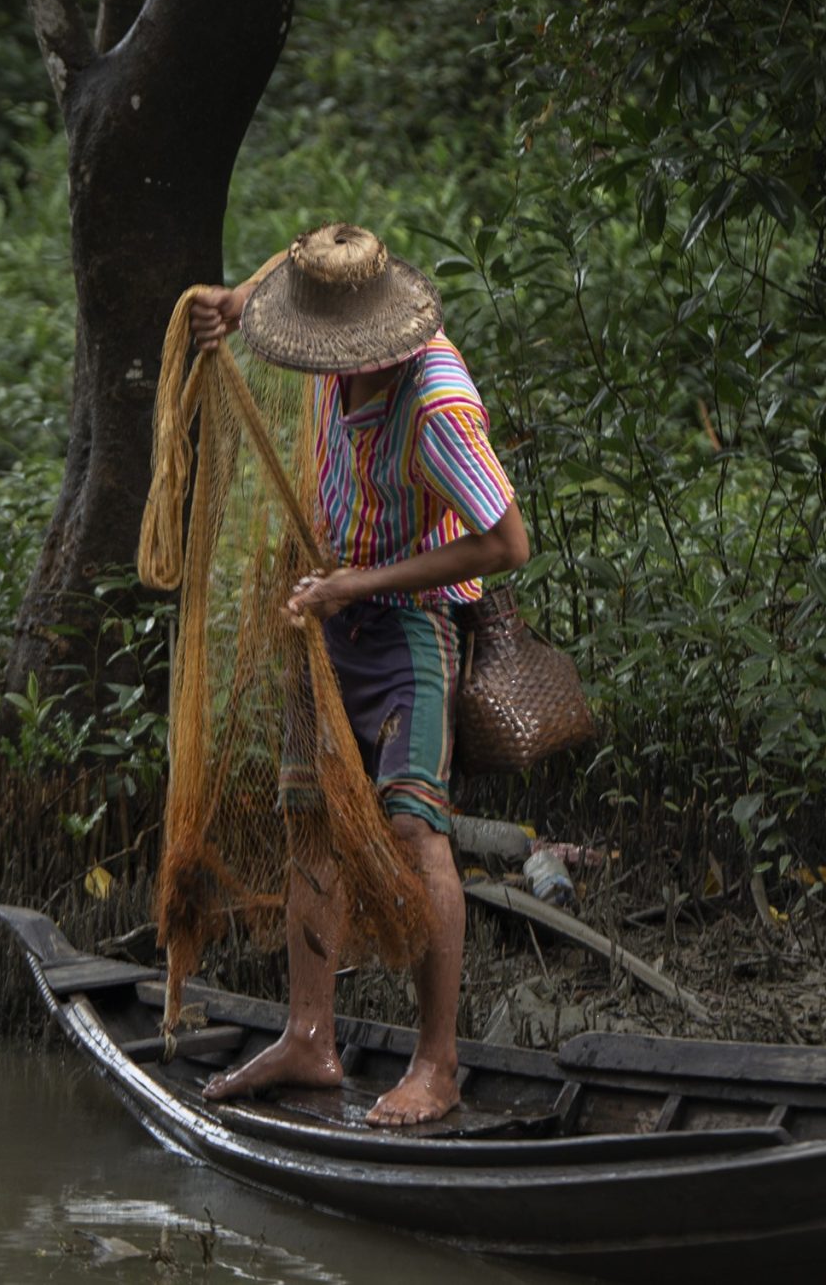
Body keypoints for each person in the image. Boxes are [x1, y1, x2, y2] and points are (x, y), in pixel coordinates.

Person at [185, 221, 529, 1126]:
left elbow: (505, 542)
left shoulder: (435, 404)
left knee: (417, 834)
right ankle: (309, 1038)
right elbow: (271, 296)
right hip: (329, 623)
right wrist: (231, 308)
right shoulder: (333, 351)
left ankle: (438, 1064)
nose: (317, 361)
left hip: (410, 630)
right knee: (314, 824)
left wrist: (360, 584)